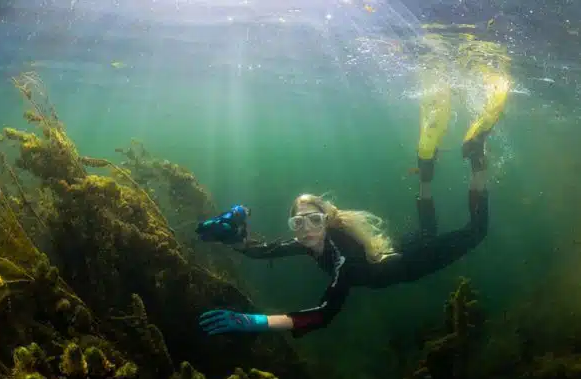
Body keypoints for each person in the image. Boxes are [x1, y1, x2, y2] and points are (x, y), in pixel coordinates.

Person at [196, 45, 510, 338]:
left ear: (327, 220)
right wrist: (234, 239)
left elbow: (322, 314)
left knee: (477, 231)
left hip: (415, 262)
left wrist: (254, 322)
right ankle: (427, 165)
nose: (305, 230)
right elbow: (265, 250)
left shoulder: (343, 261)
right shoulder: (311, 241)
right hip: (396, 252)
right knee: (428, 229)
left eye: (313, 220)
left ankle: (476, 156)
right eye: (298, 223)